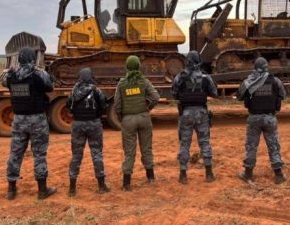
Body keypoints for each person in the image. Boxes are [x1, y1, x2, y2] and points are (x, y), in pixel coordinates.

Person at [3, 47, 57, 200]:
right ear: (33, 58)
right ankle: (42, 190)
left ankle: (11, 190)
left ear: (19, 59)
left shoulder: (11, 76)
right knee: (39, 154)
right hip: (37, 119)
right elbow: (50, 86)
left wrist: (13, 72)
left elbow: (4, 83)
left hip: (19, 119)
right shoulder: (39, 74)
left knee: (15, 153)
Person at [237, 57, 286, 184]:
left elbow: (239, 96)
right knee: (273, 145)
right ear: (266, 67)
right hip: (270, 118)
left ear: (255, 67)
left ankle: (248, 174)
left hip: (254, 118)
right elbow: (283, 95)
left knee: (251, 146)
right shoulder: (275, 81)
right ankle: (279, 175)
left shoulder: (248, 82)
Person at [114, 55, 160, 191]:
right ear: (139, 66)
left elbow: (117, 105)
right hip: (144, 118)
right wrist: (148, 108)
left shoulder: (122, 83)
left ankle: (127, 183)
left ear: (127, 66)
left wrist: (122, 117)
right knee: (146, 149)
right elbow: (156, 97)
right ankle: (150, 177)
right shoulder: (144, 81)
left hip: (128, 120)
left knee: (129, 152)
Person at [171, 51, 218, 184]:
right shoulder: (205, 77)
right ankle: (209, 174)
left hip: (186, 113)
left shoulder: (180, 77)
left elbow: (174, 94)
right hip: (202, 113)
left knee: (184, 143)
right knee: (204, 142)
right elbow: (214, 93)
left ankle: (183, 175)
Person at [66, 68, 109, 196]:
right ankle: (101, 186)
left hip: (78, 124)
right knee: (97, 154)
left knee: (76, 156)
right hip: (94, 124)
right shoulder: (96, 90)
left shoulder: (73, 91)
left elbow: (69, 106)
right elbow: (104, 106)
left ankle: (72, 188)